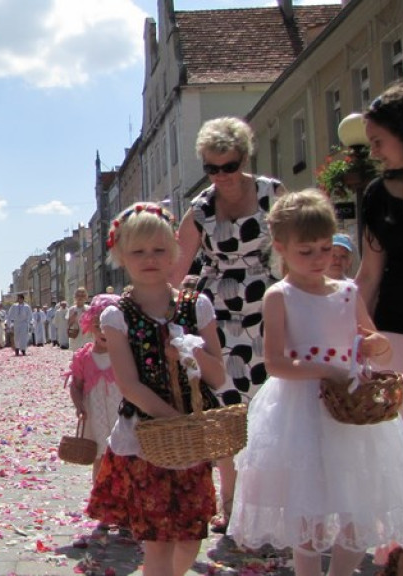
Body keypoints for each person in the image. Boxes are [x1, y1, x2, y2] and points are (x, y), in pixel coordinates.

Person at [228, 190, 403, 576]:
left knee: (354, 506)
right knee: (306, 512)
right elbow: (276, 362)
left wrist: (375, 346)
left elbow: (371, 342)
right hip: (300, 411)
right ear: (280, 247)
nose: (318, 260)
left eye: (325, 249)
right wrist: (325, 369)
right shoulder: (281, 295)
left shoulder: (347, 293)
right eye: (306, 251)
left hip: (350, 412)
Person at [86, 202, 226, 576]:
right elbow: (129, 385)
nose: (150, 258)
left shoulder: (197, 306)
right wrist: (173, 422)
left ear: (175, 252)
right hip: (147, 441)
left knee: (190, 538)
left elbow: (218, 375)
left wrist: (191, 354)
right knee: (158, 542)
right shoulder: (117, 316)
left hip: (193, 442)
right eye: (138, 251)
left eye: (159, 249)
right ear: (120, 256)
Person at [171, 116, 285, 533]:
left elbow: (293, 247)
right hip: (218, 318)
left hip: (269, 310)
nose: (221, 177)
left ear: (244, 158)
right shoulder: (200, 209)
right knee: (226, 409)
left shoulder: (272, 194)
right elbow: (176, 266)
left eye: (229, 167)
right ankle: (231, 501)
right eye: (211, 169)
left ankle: (272, 500)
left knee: (271, 404)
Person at [358, 84, 403, 438]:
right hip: (395, 334)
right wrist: (350, 336)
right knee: (400, 442)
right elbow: (369, 276)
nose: (373, 152)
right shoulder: (377, 195)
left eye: (378, 140)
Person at [66, 294, 122, 483]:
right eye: (99, 327)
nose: (104, 333)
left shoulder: (123, 354)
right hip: (95, 414)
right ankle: (99, 493)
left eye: (109, 328)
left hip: (120, 413)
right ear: (91, 328)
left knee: (123, 455)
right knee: (99, 455)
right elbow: (76, 385)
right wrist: (79, 406)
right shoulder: (84, 356)